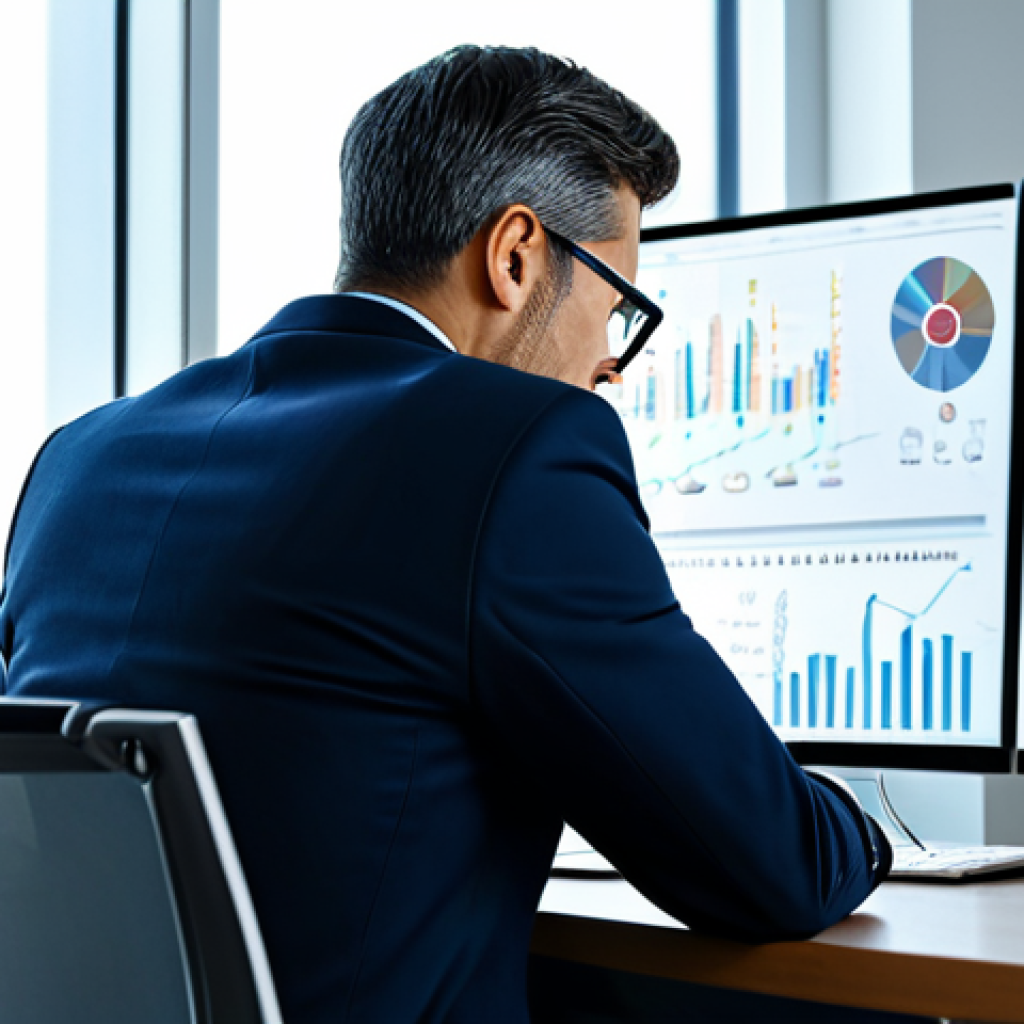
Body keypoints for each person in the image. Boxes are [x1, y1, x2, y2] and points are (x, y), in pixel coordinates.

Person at [1, 46, 895, 1024]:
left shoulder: (78, 462)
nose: (610, 361)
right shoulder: (514, 449)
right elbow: (773, 863)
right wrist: (872, 829)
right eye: (618, 306)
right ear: (514, 255)